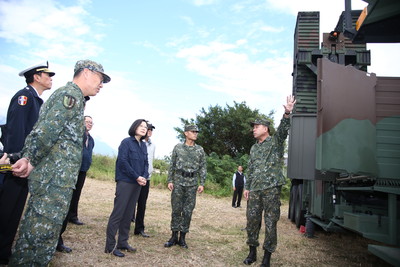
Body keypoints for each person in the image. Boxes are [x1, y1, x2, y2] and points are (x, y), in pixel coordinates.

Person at [9, 59, 110, 266]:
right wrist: (29, 158)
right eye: (100, 79)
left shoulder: (76, 99)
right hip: (51, 182)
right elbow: (45, 132)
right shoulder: (68, 95)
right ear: (87, 73)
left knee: (45, 237)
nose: (101, 85)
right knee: (37, 237)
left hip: (58, 182)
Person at [0, 61, 55, 265]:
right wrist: (16, 158)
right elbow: (16, 130)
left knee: (15, 209)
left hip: (26, 163)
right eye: (47, 75)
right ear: (36, 77)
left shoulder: (37, 100)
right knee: (7, 208)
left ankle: (5, 250)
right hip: (16, 163)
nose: (51, 78)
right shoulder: (25, 97)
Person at [242, 95, 295, 267]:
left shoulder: (276, 142)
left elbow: (283, 130)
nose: (254, 130)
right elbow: (250, 168)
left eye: (256, 127)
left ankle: (267, 257)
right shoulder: (254, 148)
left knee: (271, 223)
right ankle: (252, 253)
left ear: (266, 128)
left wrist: (287, 113)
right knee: (252, 221)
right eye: (254, 127)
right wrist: (247, 187)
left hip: (271, 189)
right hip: (255, 190)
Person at [105, 119, 149, 258]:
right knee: (118, 214)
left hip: (138, 183)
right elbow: (123, 162)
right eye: (141, 126)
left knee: (129, 214)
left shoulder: (143, 145)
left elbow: (146, 164)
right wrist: (136, 176)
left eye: (145, 127)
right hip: (126, 181)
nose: (143, 128)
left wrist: (144, 176)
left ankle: (123, 242)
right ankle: (110, 247)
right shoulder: (126, 142)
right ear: (134, 127)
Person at [56, 115, 96, 253]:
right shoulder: (77, 135)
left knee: (76, 195)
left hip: (83, 170)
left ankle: (73, 215)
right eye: (87, 121)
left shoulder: (91, 139)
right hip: (72, 170)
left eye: (91, 122)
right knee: (68, 196)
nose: (89, 124)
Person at [164, 124, 207, 249]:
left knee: (188, 211)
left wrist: (202, 183)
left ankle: (182, 238)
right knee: (176, 209)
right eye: (193, 131)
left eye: (196, 132)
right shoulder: (178, 147)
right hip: (178, 182)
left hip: (192, 183)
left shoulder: (200, 150)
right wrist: (170, 180)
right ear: (186, 133)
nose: (195, 134)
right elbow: (172, 164)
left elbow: (203, 167)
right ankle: (173, 236)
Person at [133, 123, 155, 237]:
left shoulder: (152, 146)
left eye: (151, 130)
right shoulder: (137, 143)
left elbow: (149, 163)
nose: (150, 131)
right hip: (135, 178)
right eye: (148, 129)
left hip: (146, 178)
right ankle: (125, 225)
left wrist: (147, 175)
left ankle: (139, 228)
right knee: (130, 203)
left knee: (142, 204)